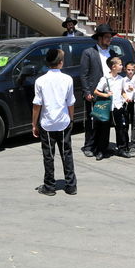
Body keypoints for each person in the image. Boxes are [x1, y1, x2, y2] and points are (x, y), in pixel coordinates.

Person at [32, 47, 77, 196]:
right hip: (63, 121)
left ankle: (49, 187)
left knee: (48, 155)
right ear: (61, 63)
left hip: (47, 122)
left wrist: (34, 124)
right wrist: (71, 118)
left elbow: (37, 105)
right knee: (67, 154)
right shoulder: (67, 79)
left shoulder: (40, 81)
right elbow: (70, 102)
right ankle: (71, 186)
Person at [78, 23, 114, 157]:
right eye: (106, 37)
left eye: (110, 37)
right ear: (99, 38)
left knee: (106, 121)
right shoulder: (89, 52)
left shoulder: (112, 52)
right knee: (93, 121)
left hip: (108, 92)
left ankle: (103, 146)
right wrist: (87, 91)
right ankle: (89, 146)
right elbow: (83, 74)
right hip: (94, 92)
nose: (109, 39)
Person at [92, 55, 127, 160]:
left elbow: (122, 92)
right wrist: (106, 95)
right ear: (113, 67)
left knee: (120, 128)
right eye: (120, 64)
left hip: (118, 106)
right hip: (107, 108)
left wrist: (126, 98)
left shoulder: (122, 79)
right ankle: (102, 150)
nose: (122, 66)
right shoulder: (105, 79)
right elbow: (96, 91)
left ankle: (122, 149)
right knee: (104, 130)